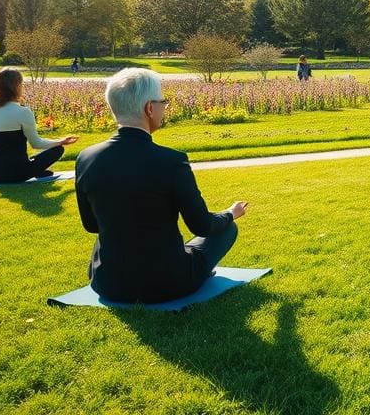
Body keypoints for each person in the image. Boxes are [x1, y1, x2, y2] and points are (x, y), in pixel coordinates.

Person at [75, 68, 248, 303]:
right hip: (168, 283)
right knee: (227, 229)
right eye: (163, 102)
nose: (164, 108)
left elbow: (91, 225)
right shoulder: (172, 161)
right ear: (149, 108)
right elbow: (203, 226)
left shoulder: (86, 157)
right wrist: (230, 214)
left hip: (108, 283)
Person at [0, 67, 79, 184]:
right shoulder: (22, 112)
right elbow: (36, 144)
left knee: (22, 158)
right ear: (17, 86)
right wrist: (61, 141)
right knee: (57, 150)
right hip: (16, 173)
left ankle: (36, 170)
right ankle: (36, 170)